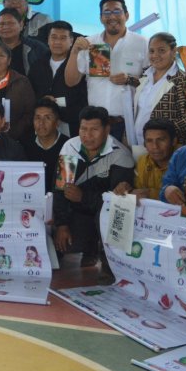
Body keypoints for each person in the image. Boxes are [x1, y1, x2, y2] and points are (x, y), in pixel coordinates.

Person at [53, 106, 134, 279]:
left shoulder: (121, 155)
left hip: (102, 216)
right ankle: (87, 248)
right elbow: (60, 191)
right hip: (77, 214)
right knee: (56, 241)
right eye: (83, 129)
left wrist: (83, 197)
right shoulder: (70, 148)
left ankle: (108, 262)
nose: (87, 136)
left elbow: (118, 204)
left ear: (107, 130)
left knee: (112, 217)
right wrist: (62, 225)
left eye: (94, 130)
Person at [64, 0, 148, 143]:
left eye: (117, 11)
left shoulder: (142, 43)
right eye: (107, 13)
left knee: (126, 164)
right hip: (95, 125)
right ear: (101, 18)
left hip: (128, 123)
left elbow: (152, 84)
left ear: (126, 15)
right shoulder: (89, 42)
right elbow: (71, 81)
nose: (112, 17)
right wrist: (74, 51)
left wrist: (129, 80)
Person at [27, 20, 88, 137]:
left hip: (72, 124)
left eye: (63, 38)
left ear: (71, 41)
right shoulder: (37, 65)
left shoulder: (80, 64)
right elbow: (30, 93)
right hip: (42, 125)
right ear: (48, 40)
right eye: (54, 37)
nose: (57, 42)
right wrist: (43, 100)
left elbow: (85, 97)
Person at [133, 32, 186, 147]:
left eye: (161, 50)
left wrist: (159, 137)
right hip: (138, 145)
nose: (155, 55)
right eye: (151, 51)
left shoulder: (185, 81)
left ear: (173, 51)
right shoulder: (144, 76)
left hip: (164, 150)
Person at [0, 7, 50, 76]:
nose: (5, 27)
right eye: (1, 24)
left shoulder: (37, 48)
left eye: (10, 23)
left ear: (21, 25)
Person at [113, 118, 177, 201]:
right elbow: (138, 191)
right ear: (144, 144)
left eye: (161, 140)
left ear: (174, 141)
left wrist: (151, 194)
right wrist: (127, 189)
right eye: (149, 141)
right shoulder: (143, 161)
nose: (155, 146)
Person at [22, 99, 69, 193]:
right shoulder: (24, 144)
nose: (41, 122)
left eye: (47, 118)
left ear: (57, 122)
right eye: (37, 118)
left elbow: (64, 186)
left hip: (58, 202)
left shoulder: (68, 146)